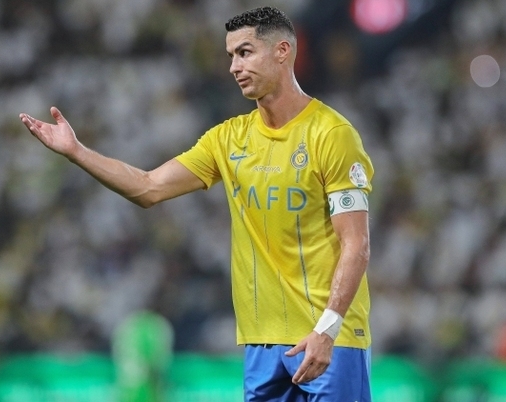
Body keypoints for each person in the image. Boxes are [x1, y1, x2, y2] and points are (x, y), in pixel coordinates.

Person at [19, 6, 374, 402]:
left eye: (245, 52)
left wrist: (327, 329)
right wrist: (77, 152)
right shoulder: (228, 139)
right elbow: (149, 188)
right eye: (231, 56)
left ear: (282, 52)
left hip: (330, 339)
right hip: (262, 344)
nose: (234, 67)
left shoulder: (332, 134)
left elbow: (356, 244)